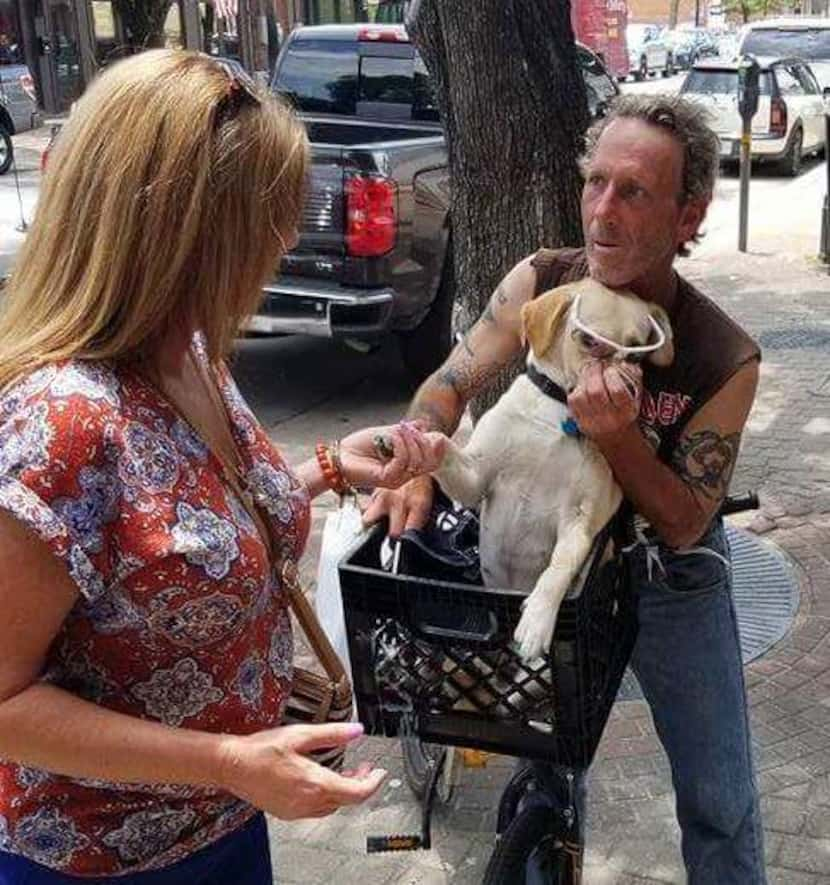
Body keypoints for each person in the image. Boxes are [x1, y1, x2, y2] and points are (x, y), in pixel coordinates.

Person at [0, 50, 445, 882]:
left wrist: (328, 465)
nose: (281, 242)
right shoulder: (61, 423)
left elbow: (175, 520)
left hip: (223, 826)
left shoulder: (190, 351)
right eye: (266, 218)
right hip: (105, 860)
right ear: (179, 233)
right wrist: (230, 761)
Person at [366, 94, 766, 883]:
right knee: (547, 775)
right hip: (544, 554)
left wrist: (618, 438)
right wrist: (416, 457)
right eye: (596, 183)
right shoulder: (545, 284)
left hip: (666, 576)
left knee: (719, 797)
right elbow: (447, 386)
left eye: (635, 192)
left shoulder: (723, 355)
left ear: (690, 216)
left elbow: (686, 521)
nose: (603, 212)